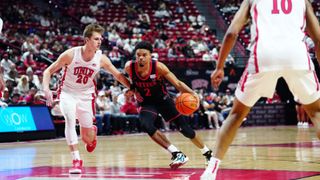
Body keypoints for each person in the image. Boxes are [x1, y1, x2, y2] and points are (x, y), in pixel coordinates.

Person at [201, 0, 320, 179]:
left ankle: (211, 171)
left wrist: (219, 66)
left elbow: (232, 32)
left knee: (236, 115)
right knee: (317, 112)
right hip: (297, 56)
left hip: (263, 56)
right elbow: (318, 38)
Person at [43, 23, 130, 174]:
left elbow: (118, 75)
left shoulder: (101, 58)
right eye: (96, 38)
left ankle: (92, 133)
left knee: (87, 139)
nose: (99, 41)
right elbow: (48, 71)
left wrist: (133, 88)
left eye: (100, 39)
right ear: (86, 40)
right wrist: (46, 90)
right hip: (67, 93)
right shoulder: (71, 54)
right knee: (69, 120)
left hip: (86, 95)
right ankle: (76, 160)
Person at [124, 41, 212, 169]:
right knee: (146, 125)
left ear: (150, 56)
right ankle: (176, 153)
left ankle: (207, 153)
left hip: (163, 100)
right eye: (138, 55)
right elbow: (129, 82)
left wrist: (194, 94)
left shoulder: (159, 67)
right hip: (146, 103)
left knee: (186, 130)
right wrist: (132, 90)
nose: (141, 58)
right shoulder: (129, 67)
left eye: (144, 55)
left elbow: (177, 83)